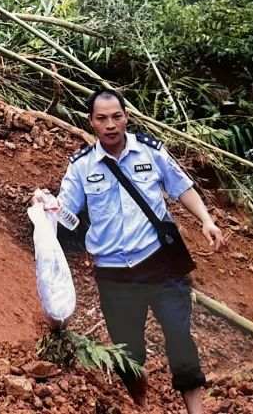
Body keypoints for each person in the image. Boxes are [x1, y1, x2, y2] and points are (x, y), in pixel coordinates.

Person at [40, 89, 224, 412]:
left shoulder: (150, 152)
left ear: (126, 117)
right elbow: (66, 213)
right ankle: (142, 405)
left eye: (116, 116)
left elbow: (182, 188)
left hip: (159, 263)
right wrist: (46, 206)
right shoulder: (82, 166)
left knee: (180, 338)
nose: (110, 124)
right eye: (101, 118)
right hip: (114, 274)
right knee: (128, 354)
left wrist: (206, 220)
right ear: (91, 122)